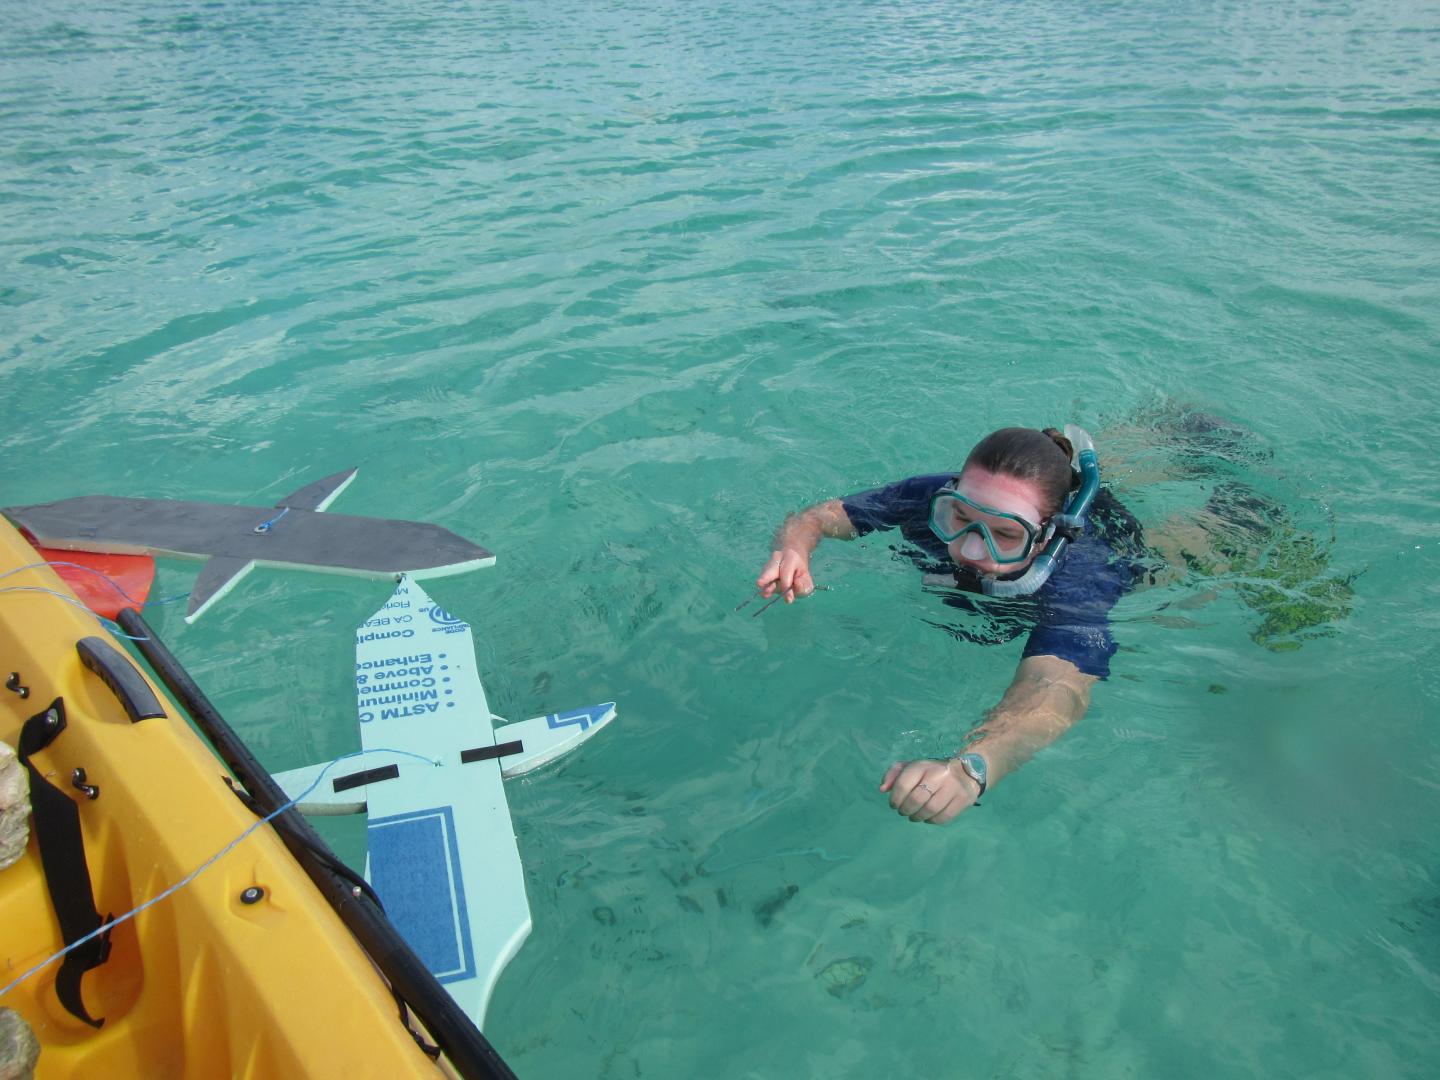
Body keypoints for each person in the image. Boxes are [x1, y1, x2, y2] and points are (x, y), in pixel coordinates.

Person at [755, 426, 1145, 826]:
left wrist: (972, 768)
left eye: (1006, 535)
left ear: (1046, 537)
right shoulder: (928, 498)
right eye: (959, 517)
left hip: (1130, 544)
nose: (971, 549)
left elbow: (1056, 688)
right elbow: (817, 518)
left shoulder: (1081, 577)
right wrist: (793, 550)